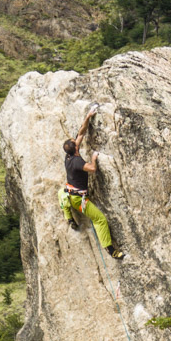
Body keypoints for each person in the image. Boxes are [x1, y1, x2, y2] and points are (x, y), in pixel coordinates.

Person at [59, 107, 124, 260]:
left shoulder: (69, 157)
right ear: (75, 148)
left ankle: (69, 217)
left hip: (69, 193)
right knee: (99, 219)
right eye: (76, 143)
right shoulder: (76, 161)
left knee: (61, 193)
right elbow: (93, 169)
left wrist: (88, 116)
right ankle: (111, 250)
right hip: (79, 200)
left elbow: (81, 133)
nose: (77, 141)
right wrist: (94, 157)